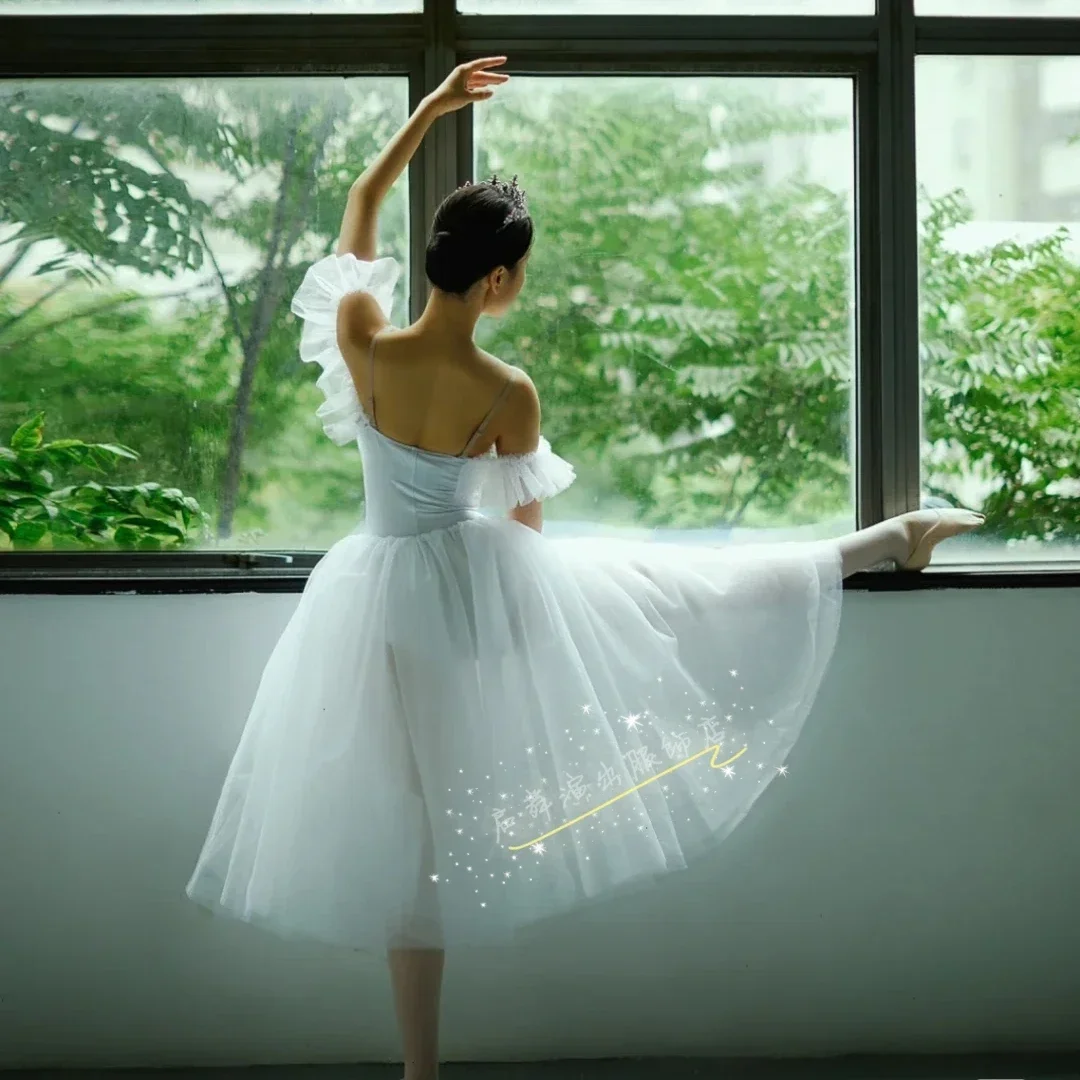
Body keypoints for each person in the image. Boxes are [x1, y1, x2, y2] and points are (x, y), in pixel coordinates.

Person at [185, 57, 984, 1080]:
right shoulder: (503, 388)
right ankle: (881, 542)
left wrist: (431, 109)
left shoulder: (361, 337)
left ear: (432, 263)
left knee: (407, 827)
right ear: (497, 282)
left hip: (366, 596)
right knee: (672, 588)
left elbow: (359, 199)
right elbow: (526, 537)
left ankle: (418, 1071)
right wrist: (533, 634)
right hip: (463, 598)